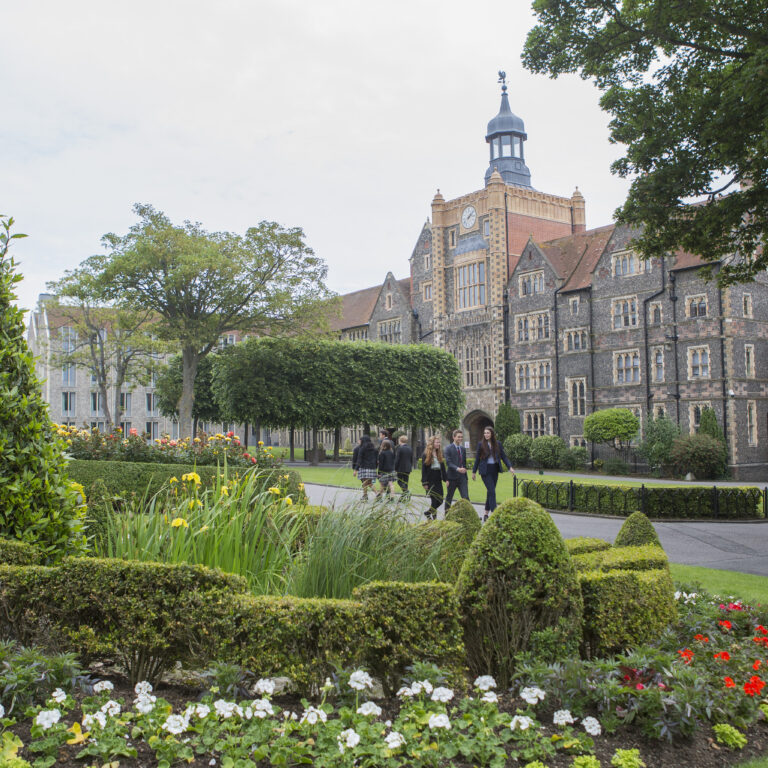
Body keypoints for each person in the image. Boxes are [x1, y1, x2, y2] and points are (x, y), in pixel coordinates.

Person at [472, 426, 514, 521]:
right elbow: (477, 459)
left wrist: (510, 467)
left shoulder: (498, 444)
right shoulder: (481, 444)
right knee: (492, 492)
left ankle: (486, 514)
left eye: (487, 433)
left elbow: (504, 457)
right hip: (485, 471)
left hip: (494, 470)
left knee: (490, 492)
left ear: (492, 434)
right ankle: (495, 514)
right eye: (484, 433)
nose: (486, 435)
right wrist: (474, 472)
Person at [421, 434, 447, 519]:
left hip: (438, 479)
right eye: (437, 442)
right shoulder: (426, 454)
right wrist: (424, 482)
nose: (438, 444)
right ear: (432, 443)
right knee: (434, 499)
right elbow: (424, 470)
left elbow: (443, 468)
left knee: (440, 500)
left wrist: (446, 479)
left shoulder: (439, 453)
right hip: (430, 479)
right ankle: (434, 517)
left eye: (439, 442)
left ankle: (428, 513)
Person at [444, 428, 470, 510]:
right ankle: (446, 514)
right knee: (449, 497)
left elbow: (464, 463)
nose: (460, 439)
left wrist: (466, 477)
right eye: (458, 437)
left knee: (466, 497)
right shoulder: (448, 448)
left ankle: (470, 515)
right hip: (452, 477)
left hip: (462, 477)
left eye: (461, 437)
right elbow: (448, 462)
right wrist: (457, 469)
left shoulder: (462, 449)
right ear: (454, 437)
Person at [352, 434, 378, 501]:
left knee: (365, 483)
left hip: (364, 467)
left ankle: (365, 496)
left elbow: (359, 459)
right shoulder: (374, 449)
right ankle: (376, 494)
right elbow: (376, 459)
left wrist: (355, 470)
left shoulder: (362, 448)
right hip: (372, 468)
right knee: (369, 483)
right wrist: (375, 467)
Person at [394, 434, 413, 500]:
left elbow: (397, 459)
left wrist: (395, 468)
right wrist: (410, 467)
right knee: (405, 482)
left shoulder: (400, 448)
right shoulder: (410, 448)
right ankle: (404, 497)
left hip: (401, 468)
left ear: (400, 441)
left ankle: (406, 492)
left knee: (399, 481)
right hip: (408, 468)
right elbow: (411, 459)